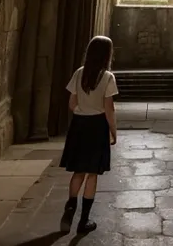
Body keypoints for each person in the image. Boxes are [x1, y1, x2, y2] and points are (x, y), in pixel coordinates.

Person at [59, 35, 118, 235]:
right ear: (106, 55)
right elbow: (109, 109)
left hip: (79, 125)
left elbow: (71, 103)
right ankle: (83, 220)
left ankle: (69, 209)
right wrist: (113, 131)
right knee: (92, 174)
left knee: (78, 172)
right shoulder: (108, 77)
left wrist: (80, 111)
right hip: (97, 126)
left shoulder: (79, 73)